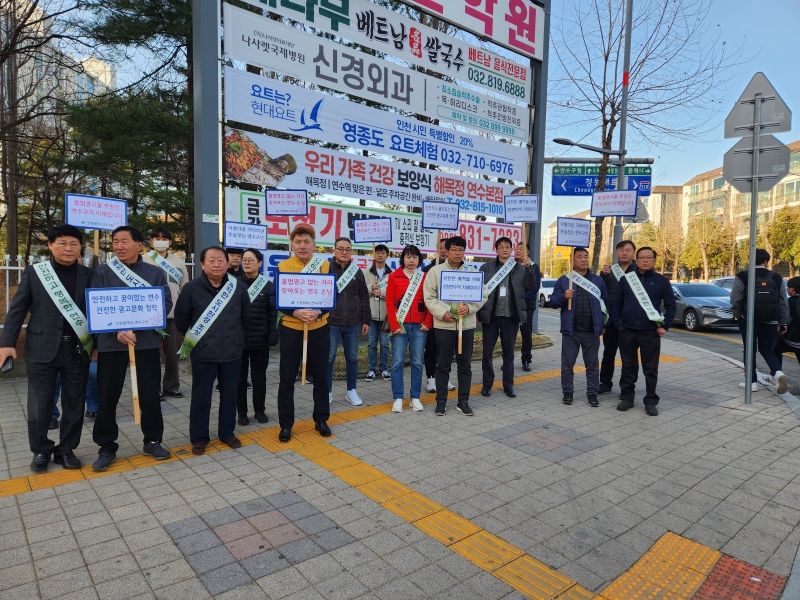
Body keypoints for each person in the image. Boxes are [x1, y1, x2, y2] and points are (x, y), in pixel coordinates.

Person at [0, 225, 94, 472]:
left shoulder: (89, 275)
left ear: (79, 248)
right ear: (51, 246)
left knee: (75, 403)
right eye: (62, 243)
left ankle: (66, 450)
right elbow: (18, 310)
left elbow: (98, 312)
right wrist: (7, 343)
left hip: (77, 349)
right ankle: (41, 450)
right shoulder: (35, 273)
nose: (68, 248)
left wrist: (98, 344)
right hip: (41, 349)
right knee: (39, 406)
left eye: (74, 244)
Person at [91, 226, 173, 471]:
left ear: (139, 245)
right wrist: (116, 328)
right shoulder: (102, 273)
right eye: (115, 241)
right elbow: (95, 305)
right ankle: (106, 446)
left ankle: (153, 440)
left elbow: (164, 303)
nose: (119, 246)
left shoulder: (154, 273)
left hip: (144, 342)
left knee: (149, 395)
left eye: (125, 241)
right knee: (107, 396)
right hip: (110, 343)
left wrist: (138, 324)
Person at [175, 247, 251, 455]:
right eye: (211, 260)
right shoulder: (191, 289)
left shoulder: (238, 288)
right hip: (203, 353)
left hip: (232, 353)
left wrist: (235, 338)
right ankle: (199, 437)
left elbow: (246, 318)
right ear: (202, 264)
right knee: (201, 397)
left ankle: (227, 433)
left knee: (230, 395)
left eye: (220, 260)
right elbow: (182, 320)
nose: (216, 264)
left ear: (228, 264)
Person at [271, 225, 332, 442]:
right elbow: (275, 298)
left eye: (307, 241)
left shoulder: (325, 266)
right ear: (292, 245)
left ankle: (321, 419)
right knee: (287, 378)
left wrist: (317, 311)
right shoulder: (284, 266)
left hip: (319, 329)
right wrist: (295, 311)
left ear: (314, 245)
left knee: (322, 378)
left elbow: (331, 297)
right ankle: (286, 425)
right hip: (291, 329)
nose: (302, 246)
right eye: (298, 242)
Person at [423, 236, 487, 416]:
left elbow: (483, 294)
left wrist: (469, 307)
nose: (457, 253)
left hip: (466, 326)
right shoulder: (436, 272)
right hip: (444, 326)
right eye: (454, 249)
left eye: (461, 249)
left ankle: (463, 401)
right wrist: (444, 313)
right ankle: (441, 401)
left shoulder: (473, 272)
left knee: (465, 365)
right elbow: (429, 297)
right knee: (442, 365)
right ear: (447, 251)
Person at [611, 247, 676, 416]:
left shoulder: (662, 281)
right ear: (636, 260)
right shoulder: (626, 280)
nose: (645, 260)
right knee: (628, 366)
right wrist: (619, 325)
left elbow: (671, 306)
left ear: (654, 260)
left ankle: (651, 401)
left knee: (650, 368)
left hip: (651, 332)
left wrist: (664, 326)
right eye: (642, 257)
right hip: (627, 331)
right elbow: (617, 304)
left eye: (649, 257)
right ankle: (627, 397)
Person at [478, 237, 537, 398]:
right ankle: (487, 384)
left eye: (507, 247)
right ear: (496, 250)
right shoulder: (485, 267)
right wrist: (477, 313)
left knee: (509, 353)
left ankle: (508, 384)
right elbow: (478, 292)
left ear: (512, 250)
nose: (504, 249)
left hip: (511, 316)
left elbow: (532, 287)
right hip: (491, 316)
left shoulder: (521, 268)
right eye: (501, 247)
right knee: (487, 353)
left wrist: (529, 269)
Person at [549, 248, 608, 407]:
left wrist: (604, 325)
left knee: (592, 365)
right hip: (571, 330)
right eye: (579, 257)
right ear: (572, 261)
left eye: (586, 257)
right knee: (567, 364)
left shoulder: (597, 281)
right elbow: (553, 302)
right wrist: (564, 296)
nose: (583, 259)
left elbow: (605, 305)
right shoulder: (564, 280)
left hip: (591, 331)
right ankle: (568, 392)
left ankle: (592, 394)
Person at [730, 249, 790, 393]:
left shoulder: (743, 275)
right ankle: (777, 373)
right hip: (770, 320)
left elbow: (735, 299)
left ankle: (751, 383)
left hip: (748, 319)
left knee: (749, 349)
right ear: (766, 261)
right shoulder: (776, 277)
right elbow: (783, 301)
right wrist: (783, 321)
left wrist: (738, 315)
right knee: (767, 348)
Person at [143, 227, 190, 399]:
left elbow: (184, 287)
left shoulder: (178, 262)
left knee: (172, 354)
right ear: (151, 241)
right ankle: (152, 388)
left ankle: (171, 386)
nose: (160, 241)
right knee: (151, 354)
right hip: (150, 315)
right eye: (157, 238)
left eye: (164, 238)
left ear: (170, 242)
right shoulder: (143, 260)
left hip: (172, 315)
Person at [386, 245, 432, 412]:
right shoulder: (394, 276)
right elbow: (390, 303)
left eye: (414, 257)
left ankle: (415, 397)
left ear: (419, 259)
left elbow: (430, 301)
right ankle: (398, 397)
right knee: (397, 362)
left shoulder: (425, 277)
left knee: (417, 363)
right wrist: (394, 325)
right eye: (408, 257)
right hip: (400, 326)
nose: (411, 260)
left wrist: (428, 322)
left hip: (419, 326)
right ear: (402, 259)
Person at [327, 237, 371, 406]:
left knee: (352, 358)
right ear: (334, 250)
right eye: (340, 249)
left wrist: (365, 319)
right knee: (329, 358)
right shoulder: (327, 269)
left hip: (353, 322)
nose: (344, 252)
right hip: (331, 321)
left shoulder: (357, 272)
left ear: (351, 251)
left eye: (347, 249)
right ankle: (327, 391)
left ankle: (351, 391)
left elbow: (363, 297)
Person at [237, 248, 278, 425]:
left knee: (259, 378)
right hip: (238, 342)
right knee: (239, 379)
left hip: (260, 341)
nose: (246, 262)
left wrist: (272, 336)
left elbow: (272, 314)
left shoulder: (268, 286)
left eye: (250, 260)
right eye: (244, 260)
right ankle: (242, 413)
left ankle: (260, 410)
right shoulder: (234, 284)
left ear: (260, 263)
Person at [599, 240, 636, 394]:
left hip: (631, 322)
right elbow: (601, 294)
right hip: (612, 321)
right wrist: (602, 275)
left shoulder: (639, 270)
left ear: (633, 252)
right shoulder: (609, 271)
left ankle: (626, 388)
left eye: (628, 250)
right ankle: (605, 382)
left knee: (629, 357)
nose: (624, 253)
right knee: (609, 353)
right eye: (621, 250)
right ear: (616, 253)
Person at [423, 239, 455, 393]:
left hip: (450, 316)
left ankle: (444, 377)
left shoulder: (457, 269)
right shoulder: (429, 269)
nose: (443, 251)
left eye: (445, 248)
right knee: (431, 348)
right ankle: (431, 378)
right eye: (440, 248)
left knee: (446, 350)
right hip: (432, 316)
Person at [363, 244, 393, 382]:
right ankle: (371, 370)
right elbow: (361, 292)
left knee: (386, 344)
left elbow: (395, 294)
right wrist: (371, 287)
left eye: (383, 253)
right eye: (378, 252)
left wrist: (382, 293)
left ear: (387, 255)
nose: (380, 255)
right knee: (372, 344)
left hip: (387, 316)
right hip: (371, 315)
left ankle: (384, 369)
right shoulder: (366, 273)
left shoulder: (392, 274)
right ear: (373, 254)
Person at [515, 242, 541, 372]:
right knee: (509, 334)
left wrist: (521, 299)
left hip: (527, 305)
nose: (518, 250)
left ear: (528, 252)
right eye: (517, 248)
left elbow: (535, 287)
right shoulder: (511, 265)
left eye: (521, 249)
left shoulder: (534, 267)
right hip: (512, 305)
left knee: (526, 334)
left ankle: (526, 359)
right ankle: (507, 359)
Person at [775, 277, 800, 373]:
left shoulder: (791, 302)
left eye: (788, 287)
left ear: (793, 289)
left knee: (774, 349)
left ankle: (777, 373)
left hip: (794, 339)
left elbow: (785, 318)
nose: (786, 289)